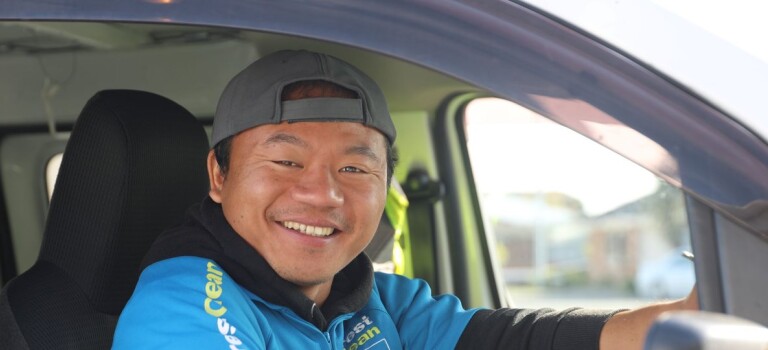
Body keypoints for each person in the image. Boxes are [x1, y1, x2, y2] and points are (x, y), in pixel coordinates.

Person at [113, 49, 698, 349]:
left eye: (354, 166)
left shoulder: (367, 298)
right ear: (218, 175)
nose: (321, 193)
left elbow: (513, 339)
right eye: (286, 161)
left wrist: (687, 321)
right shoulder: (185, 302)